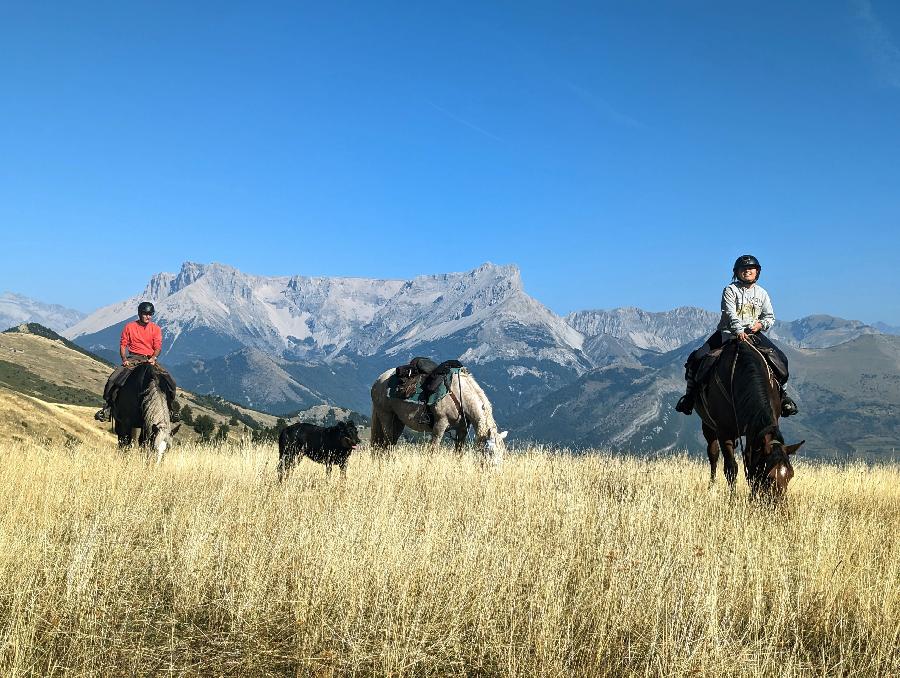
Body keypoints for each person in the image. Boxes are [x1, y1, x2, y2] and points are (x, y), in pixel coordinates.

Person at [675, 254, 798, 417]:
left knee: (781, 359)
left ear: (757, 272)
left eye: (751, 268)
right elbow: (729, 313)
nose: (747, 271)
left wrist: (760, 324)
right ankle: (690, 397)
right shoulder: (730, 290)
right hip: (727, 334)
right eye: (743, 269)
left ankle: (783, 397)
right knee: (697, 358)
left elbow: (769, 316)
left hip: (754, 335)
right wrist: (738, 330)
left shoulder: (762, 293)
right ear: (737, 272)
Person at [94, 301, 180, 422]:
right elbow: (123, 345)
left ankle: (171, 410)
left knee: (171, 381)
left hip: (149, 359)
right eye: (145, 314)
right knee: (113, 379)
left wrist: (153, 357)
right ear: (140, 314)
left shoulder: (155, 329)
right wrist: (124, 359)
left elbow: (158, 347)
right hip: (133, 358)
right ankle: (107, 408)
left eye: (150, 314)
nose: (148, 316)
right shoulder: (129, 327)